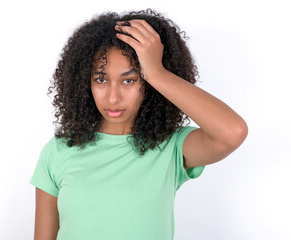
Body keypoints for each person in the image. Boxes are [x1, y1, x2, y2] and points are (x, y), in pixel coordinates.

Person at [29, 8, 248, 240]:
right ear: (84, 81)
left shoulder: (171, 147)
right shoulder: (59, 150)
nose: (113, 97)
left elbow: (232, 132)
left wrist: (156, 73)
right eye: (101, 79)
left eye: (129, 80)